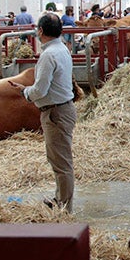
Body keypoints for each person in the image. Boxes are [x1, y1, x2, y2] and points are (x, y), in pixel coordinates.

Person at [9, 13, 77, 212]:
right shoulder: (62, 49)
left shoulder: (48, 55)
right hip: (63, 108)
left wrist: (23, 91)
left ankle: (64, 208)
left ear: (40, 31)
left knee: (61, 163)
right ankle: (60, 199)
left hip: (55, 112)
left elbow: (40, 90)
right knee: (59, 158)